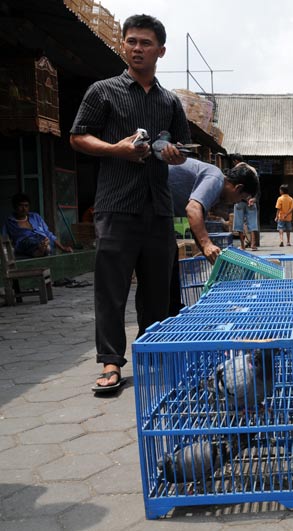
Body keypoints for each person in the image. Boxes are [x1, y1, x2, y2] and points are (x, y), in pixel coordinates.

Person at [70, 14, 191, 394]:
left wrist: (174, 155)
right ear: (123, 45)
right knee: (111, 288)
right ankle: (110, 363)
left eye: (145, 43)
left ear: (161, 51)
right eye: (132, 41)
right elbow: (77, 137)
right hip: (116, 204)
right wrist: (116, 150)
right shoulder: (102, 91)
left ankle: (152, 353)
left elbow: (182, 150)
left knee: (157, 288)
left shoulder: (170, 101)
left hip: (157, 206)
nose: (137, 48)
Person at [165, 159, 259, 315]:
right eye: (241, 199)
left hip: (158, 210)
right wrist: (207, 244)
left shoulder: (215, 186)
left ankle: (173, 310)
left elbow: (197, 221)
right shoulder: (216, 179)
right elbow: (193, 209)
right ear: (238, 188)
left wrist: (207, 252)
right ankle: (167, 314)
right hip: (145, 204)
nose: (236, 203)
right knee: (163, 272)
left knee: (170, 260)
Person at [3, 193, 73, 257]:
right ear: (15, 207)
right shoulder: (9, 222)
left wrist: (62, 248)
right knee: (29, 242)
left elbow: (48, 233)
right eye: (21, 206)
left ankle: (42, 248)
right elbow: (3, 239)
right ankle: (42, 248)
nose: (24, 209)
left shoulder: (35, 216)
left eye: (26, 206)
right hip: (24, 244)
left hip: (42, 240)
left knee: (44, 239)